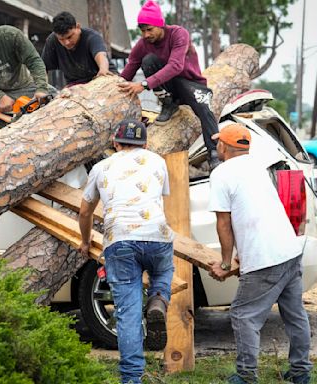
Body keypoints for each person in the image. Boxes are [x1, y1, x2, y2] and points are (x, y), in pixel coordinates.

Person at [207, 123, 312, 384]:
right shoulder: (258, 166)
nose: (217, 146)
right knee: (295, 315)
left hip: (266, 259)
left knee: (243, 314)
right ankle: (301, 371)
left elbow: (224, 223)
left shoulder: (221, 173)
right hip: (289, 249)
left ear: (225, 146)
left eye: (218, 142)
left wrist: (225, 261)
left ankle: (246, 375)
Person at [78, 119, 174, 384]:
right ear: (145, 143)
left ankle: (132, 378)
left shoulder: (101, 167)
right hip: (157, 234)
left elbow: (85, 211)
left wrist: (85, 242)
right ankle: (158, 299)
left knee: (128, 312)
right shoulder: (158, 161)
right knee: (164, 270)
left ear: (115, 142)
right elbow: (160, 197)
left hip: (120, 240)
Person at [117, 0, 220, 169]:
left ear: (161, 25)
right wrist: (113, 85)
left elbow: (175, 66)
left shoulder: (179, 34)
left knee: (205, 110)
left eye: (149, 29)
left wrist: (143, 84)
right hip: (170, 89)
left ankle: (214, 153)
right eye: (142, 31)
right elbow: (128, 71)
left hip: (191, 83)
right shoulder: (143, 45)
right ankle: (168, 104)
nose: (145, 35)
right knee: (148, 60)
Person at [41, 11, 116, 87]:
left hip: (103, 78)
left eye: (69, 37)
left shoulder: (92, 36)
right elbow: (42, 68)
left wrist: (103, 69)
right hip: (75, 85)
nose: (66, 43)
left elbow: (100, 55)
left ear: (78, 27)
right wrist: (42, 88)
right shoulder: (52, 40)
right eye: (61, 39)